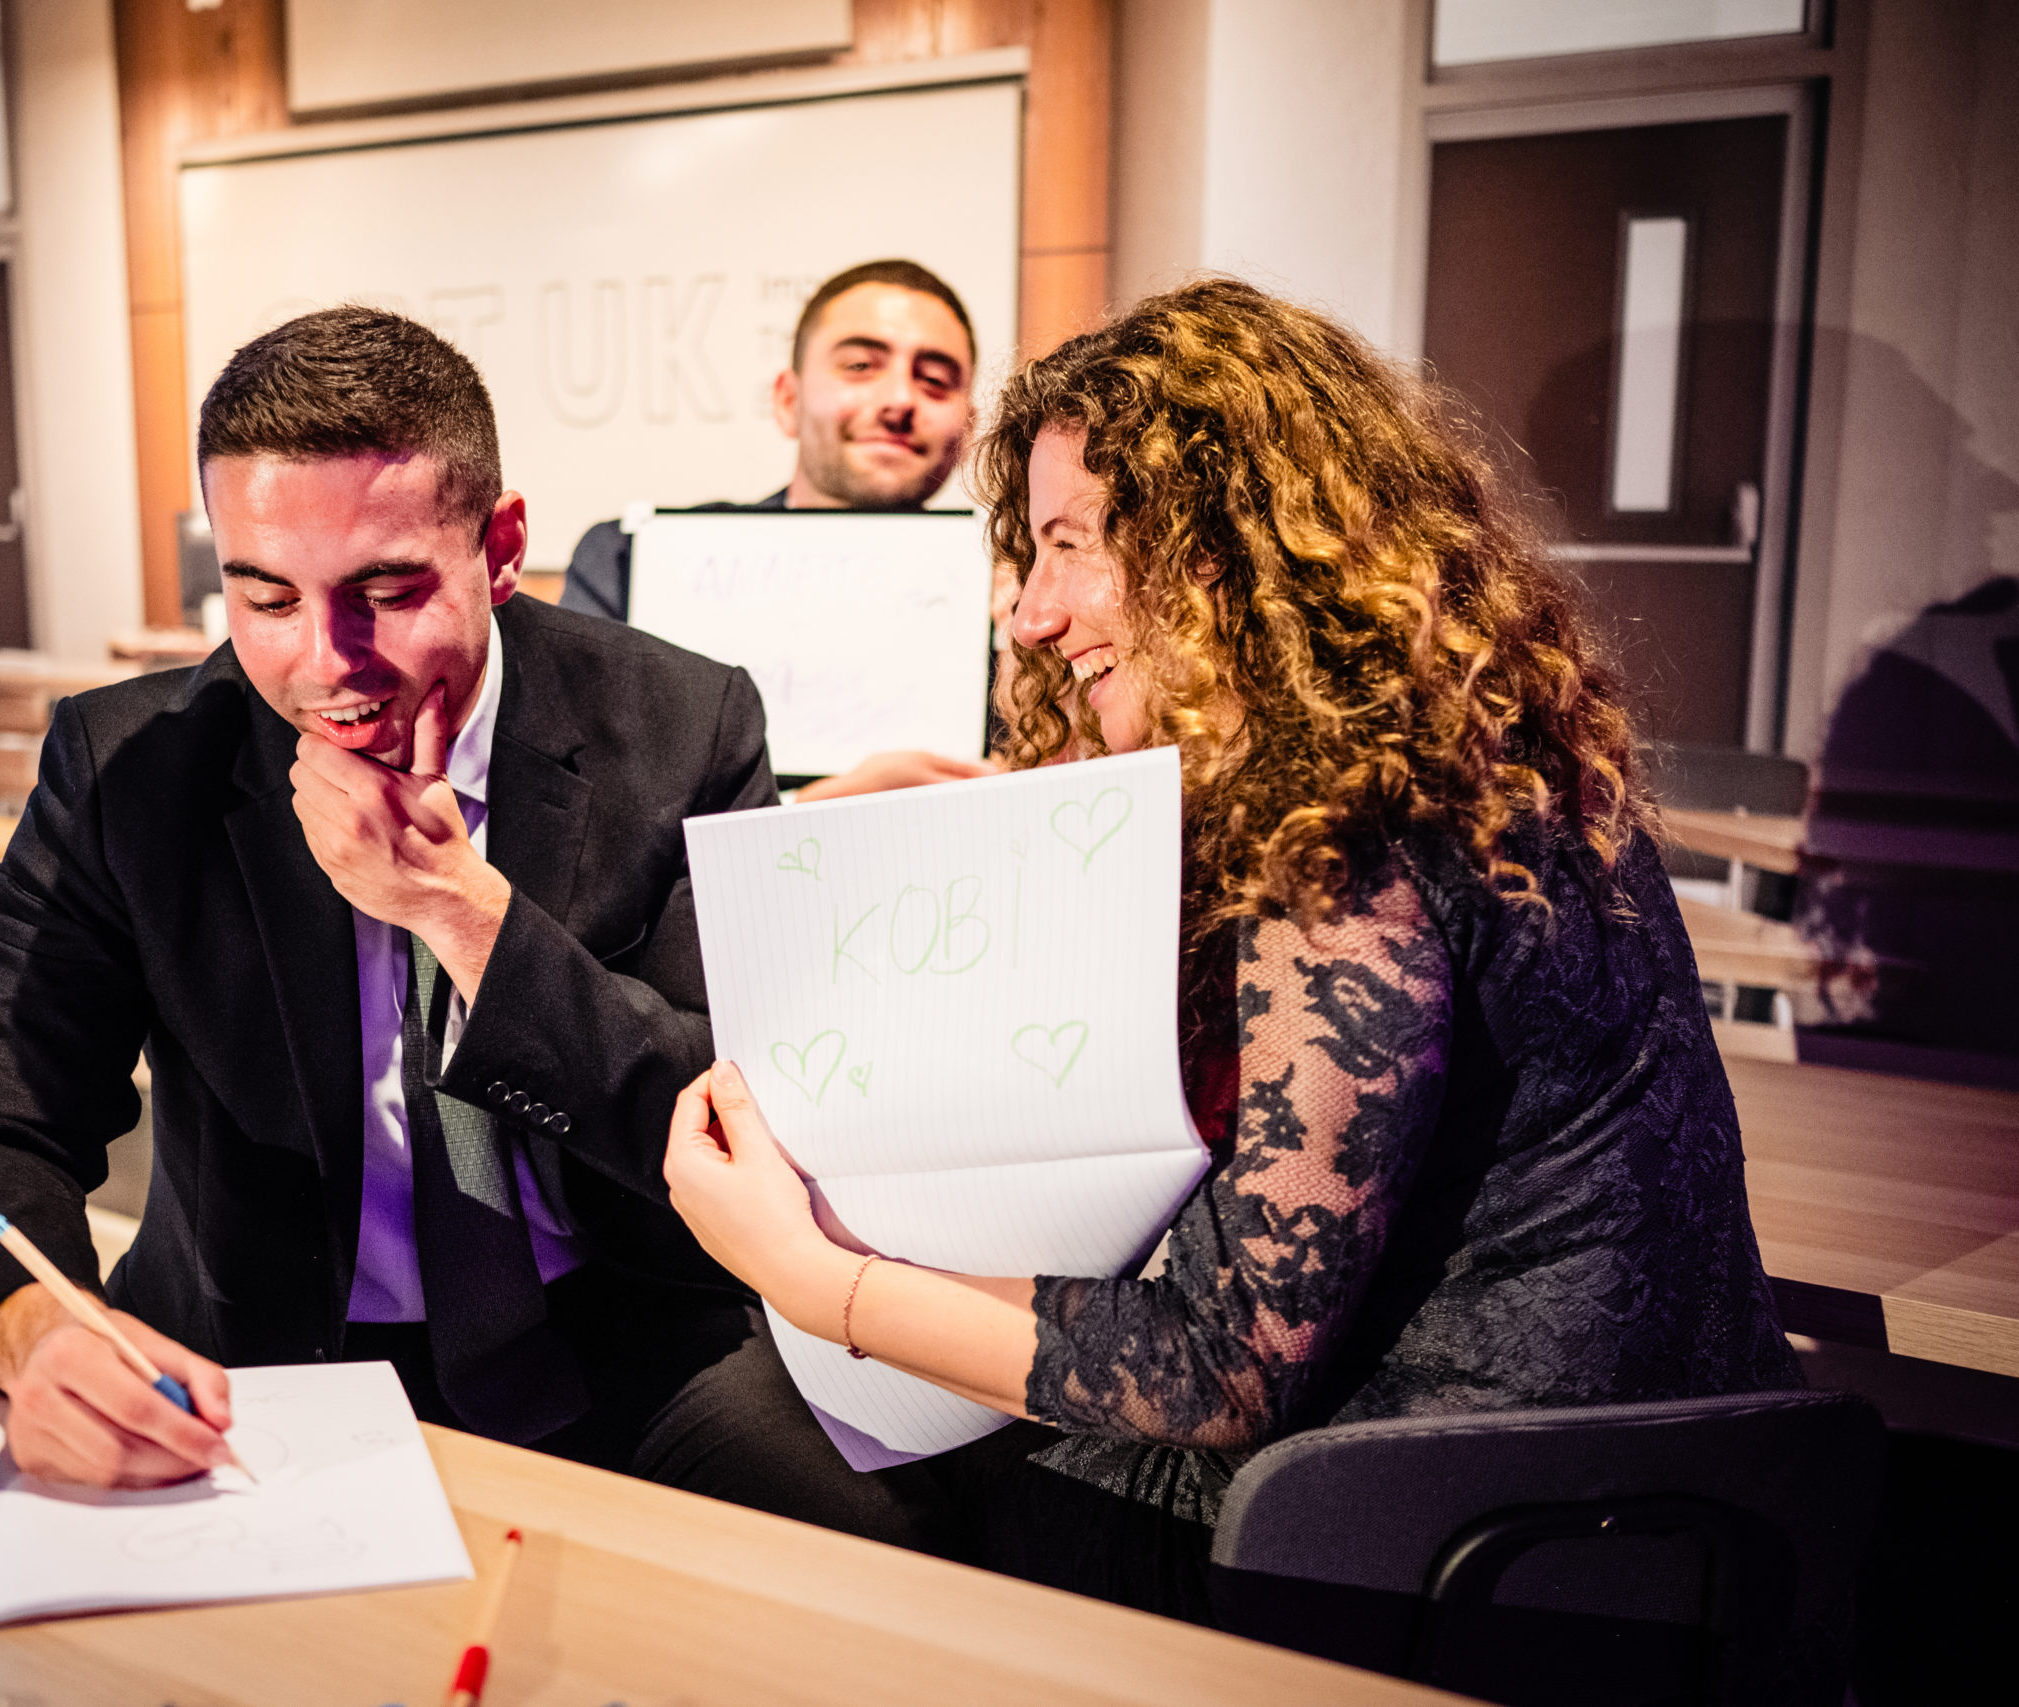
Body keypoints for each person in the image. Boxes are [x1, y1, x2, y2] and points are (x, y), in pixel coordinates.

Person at [658, 279, 1802, 1617]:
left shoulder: (1346, 837)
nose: (1031, 614)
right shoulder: (1482, 752)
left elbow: (1219, 1367)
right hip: (1667, 1507)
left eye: (1071, 544)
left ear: (1219, 551)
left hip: (1449, 1544)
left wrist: (810, 1274)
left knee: (745, 1435)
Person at [0, 307, 939, 1547]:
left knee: (883, 1552)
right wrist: (29, 1326)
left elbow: (732, 1121)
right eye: (267, 597)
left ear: (501, 548)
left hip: (623, 1337)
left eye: (384, 592)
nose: (327, 662)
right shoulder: (129, 766)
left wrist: (462, 914)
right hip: (260, 1361)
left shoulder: (678, 724)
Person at [562, 257, 991, 801]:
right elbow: (583, 799)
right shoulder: (627, 565)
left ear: (967, 429)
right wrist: (811, 809)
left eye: (934, 381)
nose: (900, 401)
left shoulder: (1021, 604)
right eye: (861, 366)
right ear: (788, 401)